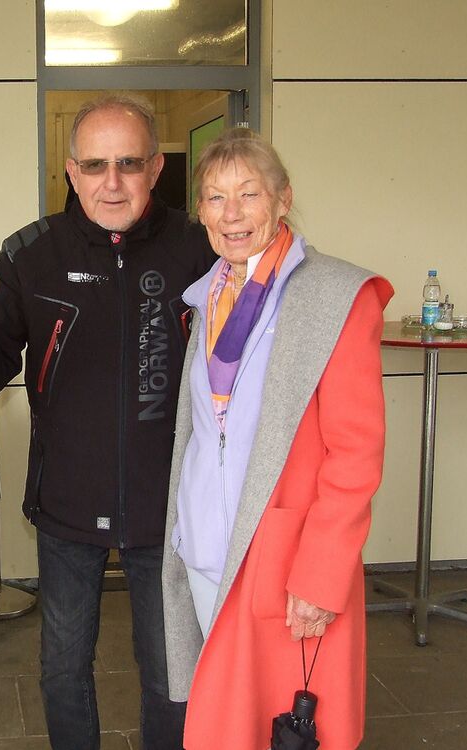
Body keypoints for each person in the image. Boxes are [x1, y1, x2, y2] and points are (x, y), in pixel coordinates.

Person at [0, 94, 215, 750]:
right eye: (94, 165)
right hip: (66, 503)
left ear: (156, 167)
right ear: (71, 171)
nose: (112, 182)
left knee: (171, 673)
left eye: (129, 163)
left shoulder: (199, 249)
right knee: (62, 669)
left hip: (170, 508)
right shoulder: (30, 255)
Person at [160, 128, 393, 750]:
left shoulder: (333, 297)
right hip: (206, 549)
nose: (231, 213)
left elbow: (355, 453)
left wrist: (321, 574)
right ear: (200, 212)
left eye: (248, 193)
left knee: (279, 725)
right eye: (215, 197)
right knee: (227, 717)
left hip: (285, 561)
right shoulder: (208, 295)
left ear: (283, 198)